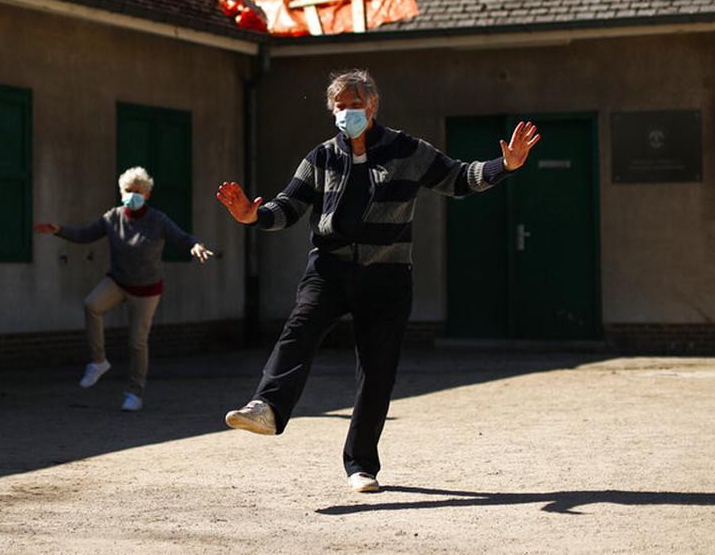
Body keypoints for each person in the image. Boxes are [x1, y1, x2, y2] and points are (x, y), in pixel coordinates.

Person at [216, 69, 540, 493]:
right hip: (329, 269)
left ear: (372, 107)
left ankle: (360, 465)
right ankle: (268, 406)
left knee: (378, 369)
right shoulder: (321, 157)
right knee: (299, 329)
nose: (346, 112)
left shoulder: (407, 150)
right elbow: (288, 207)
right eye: (339, 106)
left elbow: (458, 178)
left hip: (387, 275)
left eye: (354, 104)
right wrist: (252, 216)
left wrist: (506, 166)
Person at [36, 166, 213, 412]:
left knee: (137, 343)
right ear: (121, 192)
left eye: (138, 191)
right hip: (118, 281)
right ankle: (98, 362)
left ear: (147, 194)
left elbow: (182, 237)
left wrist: (196, 246)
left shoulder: (157, 220)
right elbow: (86, 234)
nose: (132, 195)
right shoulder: (113, 217)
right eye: (128, 191)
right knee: (92, 305)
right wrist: (59, 230)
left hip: (147, 289)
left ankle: (135, 392)